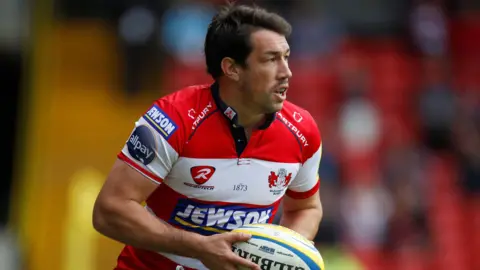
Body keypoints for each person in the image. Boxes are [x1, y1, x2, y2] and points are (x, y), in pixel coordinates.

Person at [93, 3, 323, 270]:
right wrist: (199, 248)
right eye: (271, 59)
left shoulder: (302, 130)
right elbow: (109, 211)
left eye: (286, 57)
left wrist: (281, 255)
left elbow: (305, 208)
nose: (287, 72)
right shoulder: (173, 120)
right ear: (232, 69)